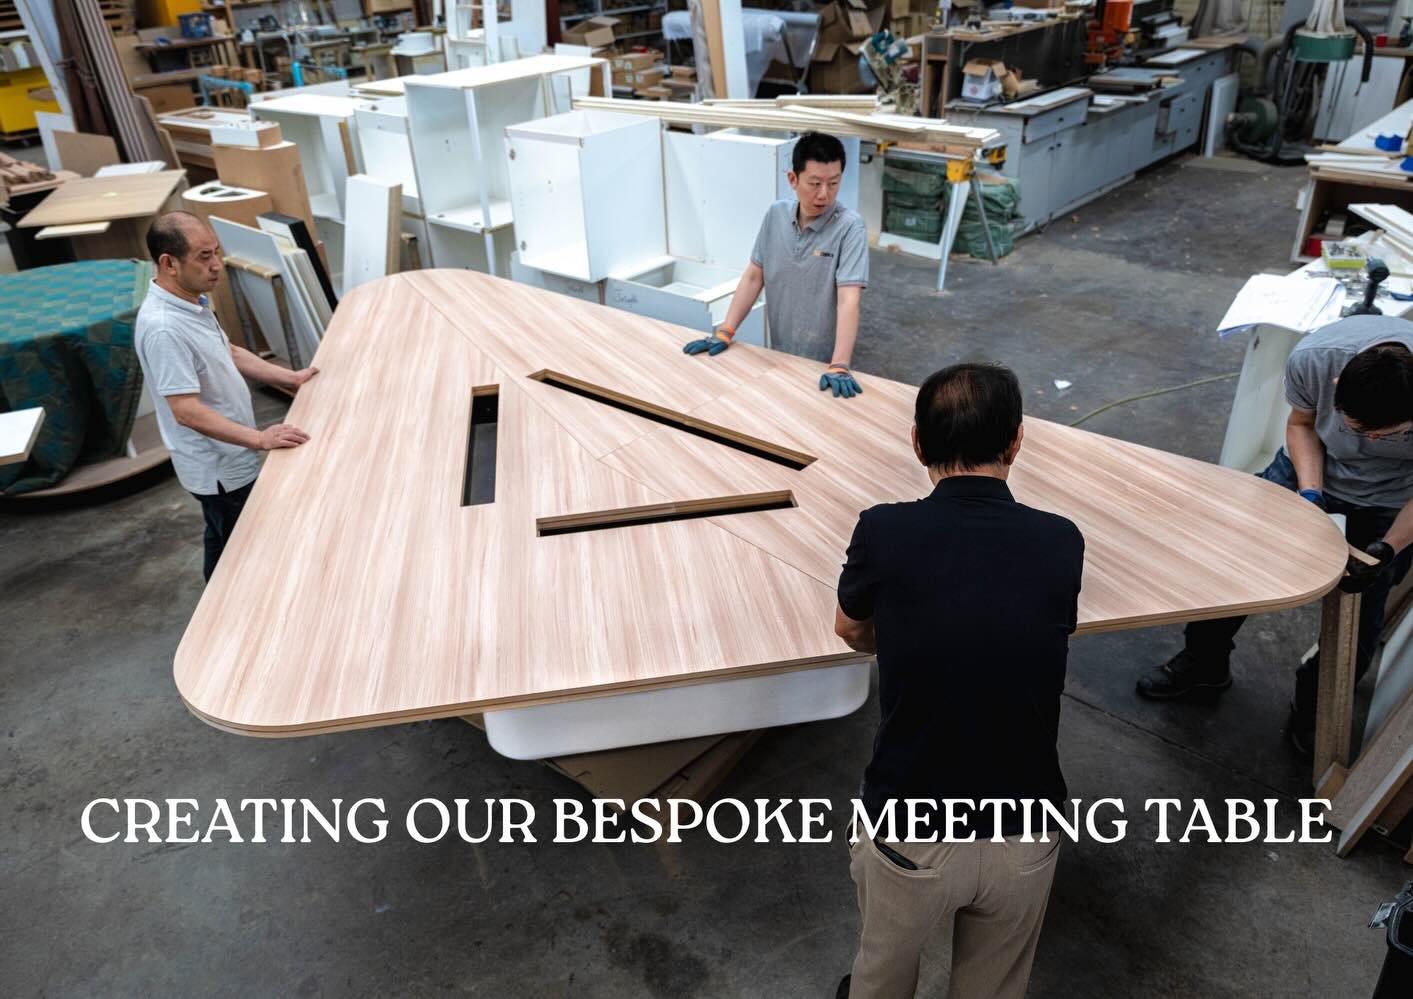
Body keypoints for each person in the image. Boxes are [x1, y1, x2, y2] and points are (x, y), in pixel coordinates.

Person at [833, 363, 1085, 999]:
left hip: (909, 831)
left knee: (880, 979)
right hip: (1024, 830)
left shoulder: (883, 530)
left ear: (918, 443)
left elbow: (849, 628)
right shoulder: (1061, 541)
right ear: (1017, 441)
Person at [1137, 314, 1413, 756]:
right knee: (1234, 565)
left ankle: (1314, 707)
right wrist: (1309, 494)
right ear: (1337, 383)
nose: (1371, 443)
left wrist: (1387, 549)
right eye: (1360, 430)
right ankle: (1203, 664)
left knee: (1362, 606)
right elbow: (1302, 425)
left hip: (1393, 499)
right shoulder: (1316, 360)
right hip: (1305, 466)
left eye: (1388, 435)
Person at [134, 211, 317, 582]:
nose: (217, 265)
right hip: (220, 468)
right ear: (169, 263)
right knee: (246, 555)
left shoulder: (192, 300)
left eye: (215, 252)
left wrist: (291, 377)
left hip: (231, 455)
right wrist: (260, 438)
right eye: (204, 257)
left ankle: (211, 612)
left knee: (222, 536)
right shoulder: (164, 328)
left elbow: (227, 351)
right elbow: (185, 411)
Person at [681, 131, 869, 399]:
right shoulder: (775, 215)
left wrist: (839, 365)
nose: (824, 194)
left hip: (826, 365)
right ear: (793, 179)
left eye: (834, 183)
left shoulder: (850, 228)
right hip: (779, 353)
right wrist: (725, 331)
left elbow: (849, 300)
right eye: (814, 183)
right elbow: (754, 277)